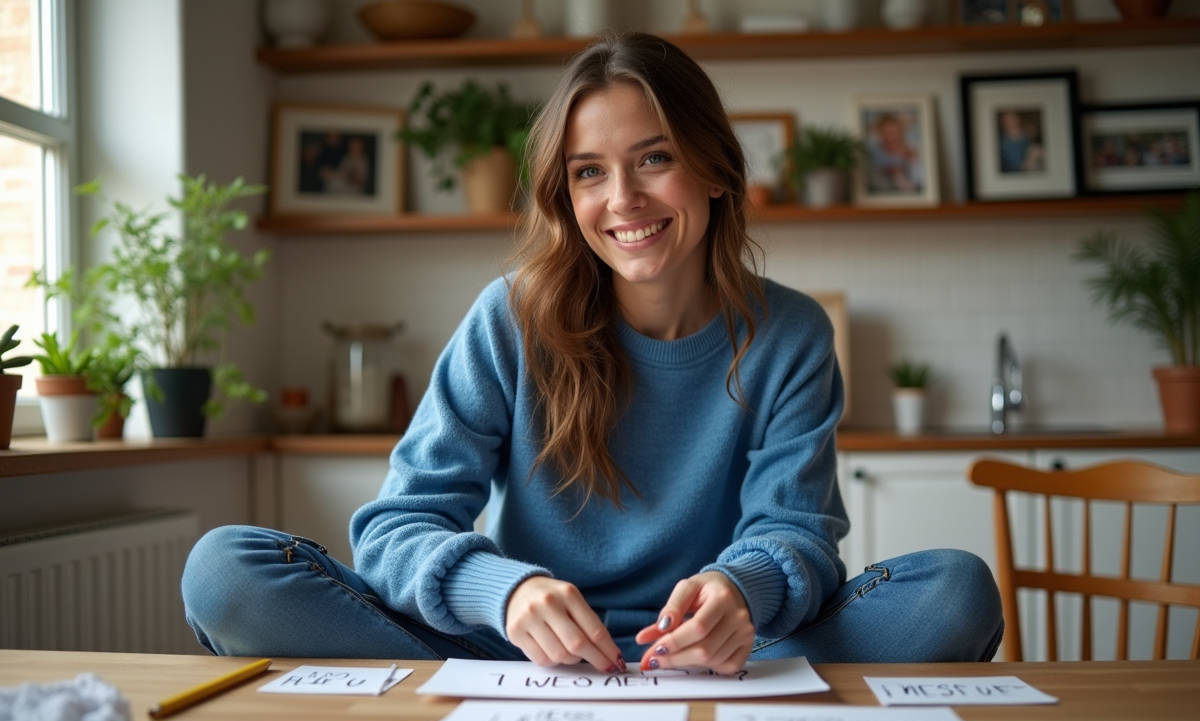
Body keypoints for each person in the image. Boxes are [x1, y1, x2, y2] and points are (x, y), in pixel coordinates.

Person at [182, 32, 1002, 675]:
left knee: (955, 590)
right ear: (566, 198)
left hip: (729, 659)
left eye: (654, 158)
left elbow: (797, 533)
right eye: (588, 173)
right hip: (515, 657)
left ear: (714, 169)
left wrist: (738, 591)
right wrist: (505, 593)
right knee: (225, 570)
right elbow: (398, 526)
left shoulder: (789, 334)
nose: (623, 200)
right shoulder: (509, 318)